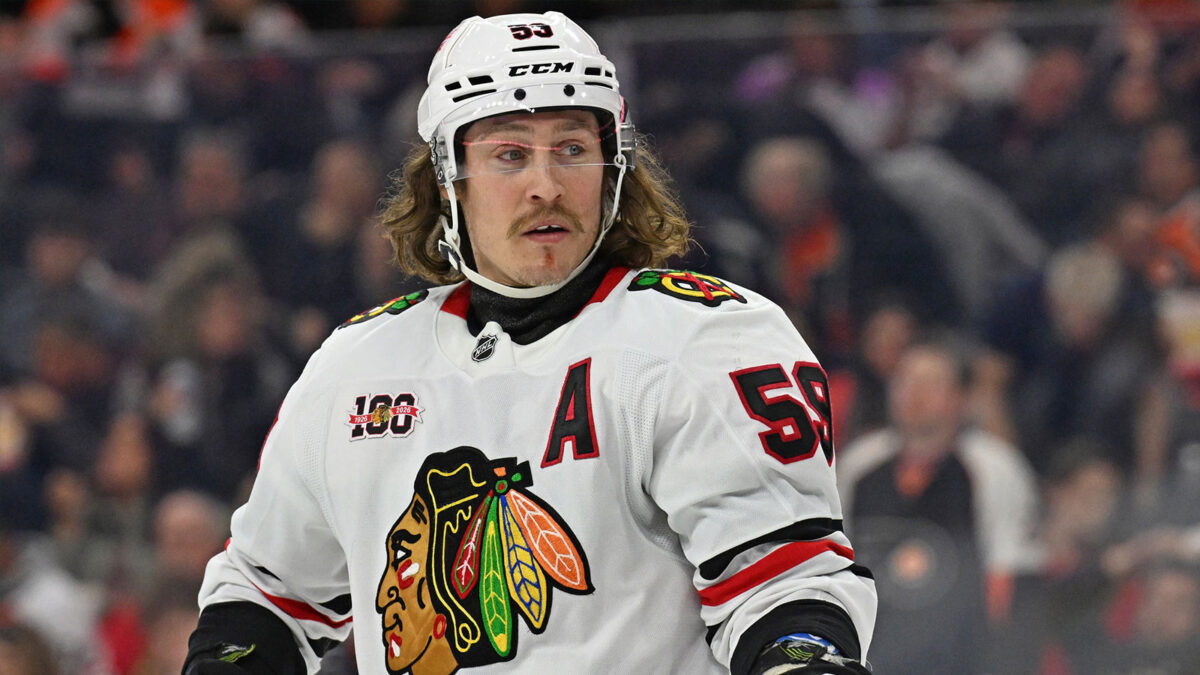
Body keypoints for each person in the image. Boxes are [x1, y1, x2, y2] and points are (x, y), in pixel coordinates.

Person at [184, 11, 876, 675]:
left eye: (572, 149)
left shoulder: (704, 340)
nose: (546, 186)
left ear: (613, 169)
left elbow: (783, 589)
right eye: (510, 155)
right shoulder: (356, 367)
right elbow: (267, 598)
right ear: (447, 181)